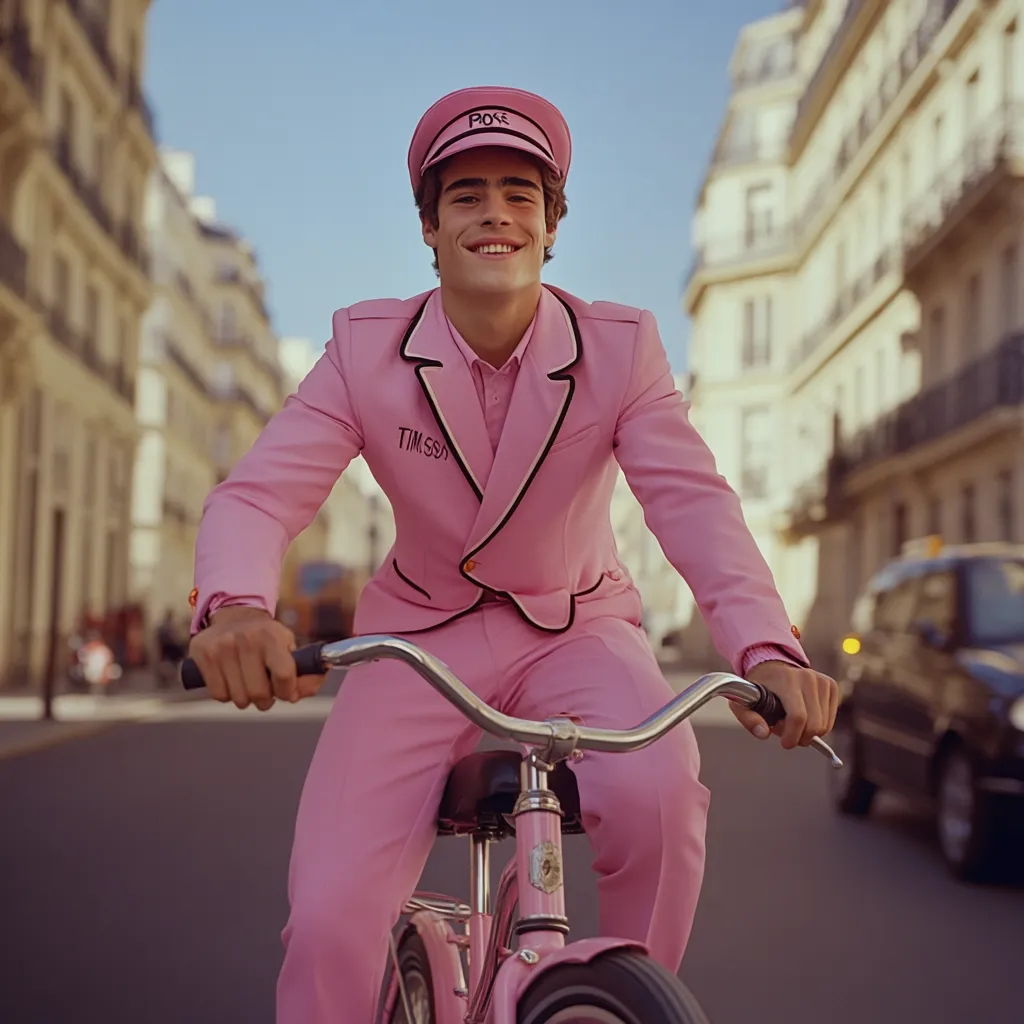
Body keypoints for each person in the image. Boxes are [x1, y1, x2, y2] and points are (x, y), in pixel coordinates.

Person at [187, 86, 838, 1023]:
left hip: (579, 626)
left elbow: (693, 504)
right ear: (430, 228)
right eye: (466, 195)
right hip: (415, 642)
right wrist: (237, 606)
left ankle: (610, 1002)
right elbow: (259, 492)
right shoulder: (363, 351)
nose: (495, 211)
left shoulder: (623, 350)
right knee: (331, 918)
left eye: (520, 194)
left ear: (550, 229)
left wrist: (767, 649)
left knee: (664, 795)